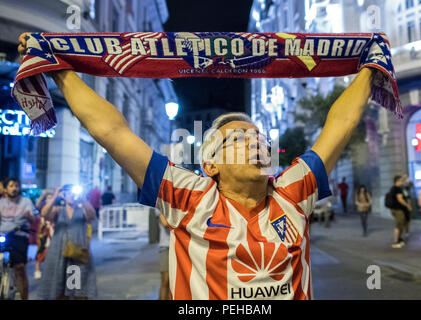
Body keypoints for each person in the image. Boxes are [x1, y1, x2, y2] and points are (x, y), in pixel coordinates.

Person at [18, 33, 375, 299]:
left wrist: (373, 65)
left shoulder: (294, 190)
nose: (258, 144)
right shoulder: (187, 196)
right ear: (211, 164)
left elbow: (341, 123)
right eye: (240, 139)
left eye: (262, 139)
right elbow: (112, 130)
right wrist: (56, 69)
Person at [38, 185, 97, 299]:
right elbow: (44, 213)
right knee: (59, 287)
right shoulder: (58, 210)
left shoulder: (82, 210)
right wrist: (56, 195)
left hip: (77, 254)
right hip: (58, 254)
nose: (72, 195)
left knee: (77, 287)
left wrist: (83, 198)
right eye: (68, 193)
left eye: (73, 193)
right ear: (64, 196)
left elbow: (91, 214)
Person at [0, 178, 35, 300]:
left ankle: (24, 297)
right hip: (3, 235)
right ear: (5, 189)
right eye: (11, 186)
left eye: (16, 186)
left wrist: (29, 216)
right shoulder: (1, 203)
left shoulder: (25, 201)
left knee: (20, 268)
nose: (14, 188)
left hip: (19, 235)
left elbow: (33, 220)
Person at [34, 190, 55, 279]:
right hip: (43, 232)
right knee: (40, 249)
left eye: (51, 198)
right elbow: (37, 204)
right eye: (48, 198)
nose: (49, 200)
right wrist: (43, 195)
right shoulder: (42, 206)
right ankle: (37, 269)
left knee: (52, 250)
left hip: (53, 230)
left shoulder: (56, 207)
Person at [390, 176, 412, 248]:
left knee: (401, 225)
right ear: (397, 181)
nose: (402, 182)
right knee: (399, 225)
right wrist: (407, 205)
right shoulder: (397, 189)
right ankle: (396, 242)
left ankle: (400, 239)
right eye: (401, 181)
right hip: (398, 210)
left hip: (397, 209)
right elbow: (400, 199)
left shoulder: (394, 188)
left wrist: (405, 178)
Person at [158, 212, 170, 300]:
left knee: (175, 282)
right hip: (166, 247)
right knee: (165, 281)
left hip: (180, 247)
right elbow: (165, 222)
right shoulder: (162, 205)